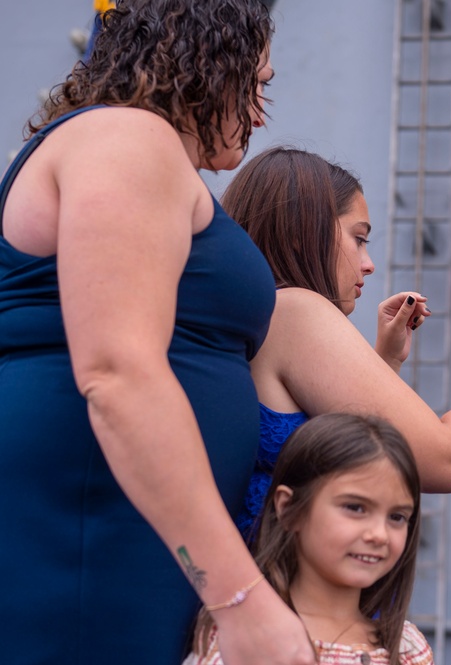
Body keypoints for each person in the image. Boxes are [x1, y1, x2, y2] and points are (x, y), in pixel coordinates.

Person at [0, 1, 318, 663]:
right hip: (91, 534)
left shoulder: (125, 145)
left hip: (126, 532)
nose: (260, 113)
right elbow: (117, 374)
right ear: (207, 59)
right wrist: (239, 596)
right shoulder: (128, 139)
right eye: (257, 84)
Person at [219, 147, 451, 531]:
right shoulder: (296, 310)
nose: (368, 263)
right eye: (358, 239)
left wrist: (384, 362)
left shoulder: (259, 316)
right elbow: (448, 461)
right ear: (302, 233)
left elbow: (345, 443)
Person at [186, 413, 434, 665]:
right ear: (289, 508)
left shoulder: (407, 647)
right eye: (355, 508)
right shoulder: (247, 637)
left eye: (397, 517)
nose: (379, 535)